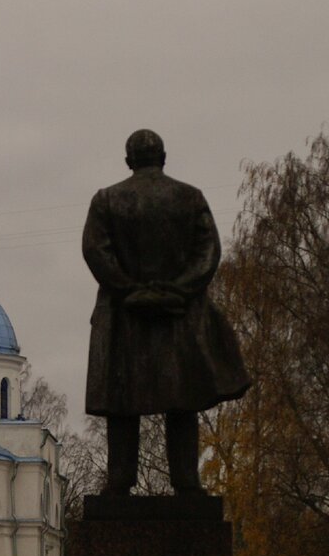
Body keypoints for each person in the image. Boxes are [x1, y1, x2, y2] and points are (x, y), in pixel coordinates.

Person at [82, 129, 250, 494]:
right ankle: (187, 481)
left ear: (129, 161)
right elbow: (208, 253)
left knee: (122, 404)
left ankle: (120, 480)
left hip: (125, 315)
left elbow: (96, 252)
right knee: (181, 401)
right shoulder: (189, 198)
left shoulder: (107, 200)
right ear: (163, 157)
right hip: (179, 314)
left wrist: (132, 291)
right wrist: (176, 291)